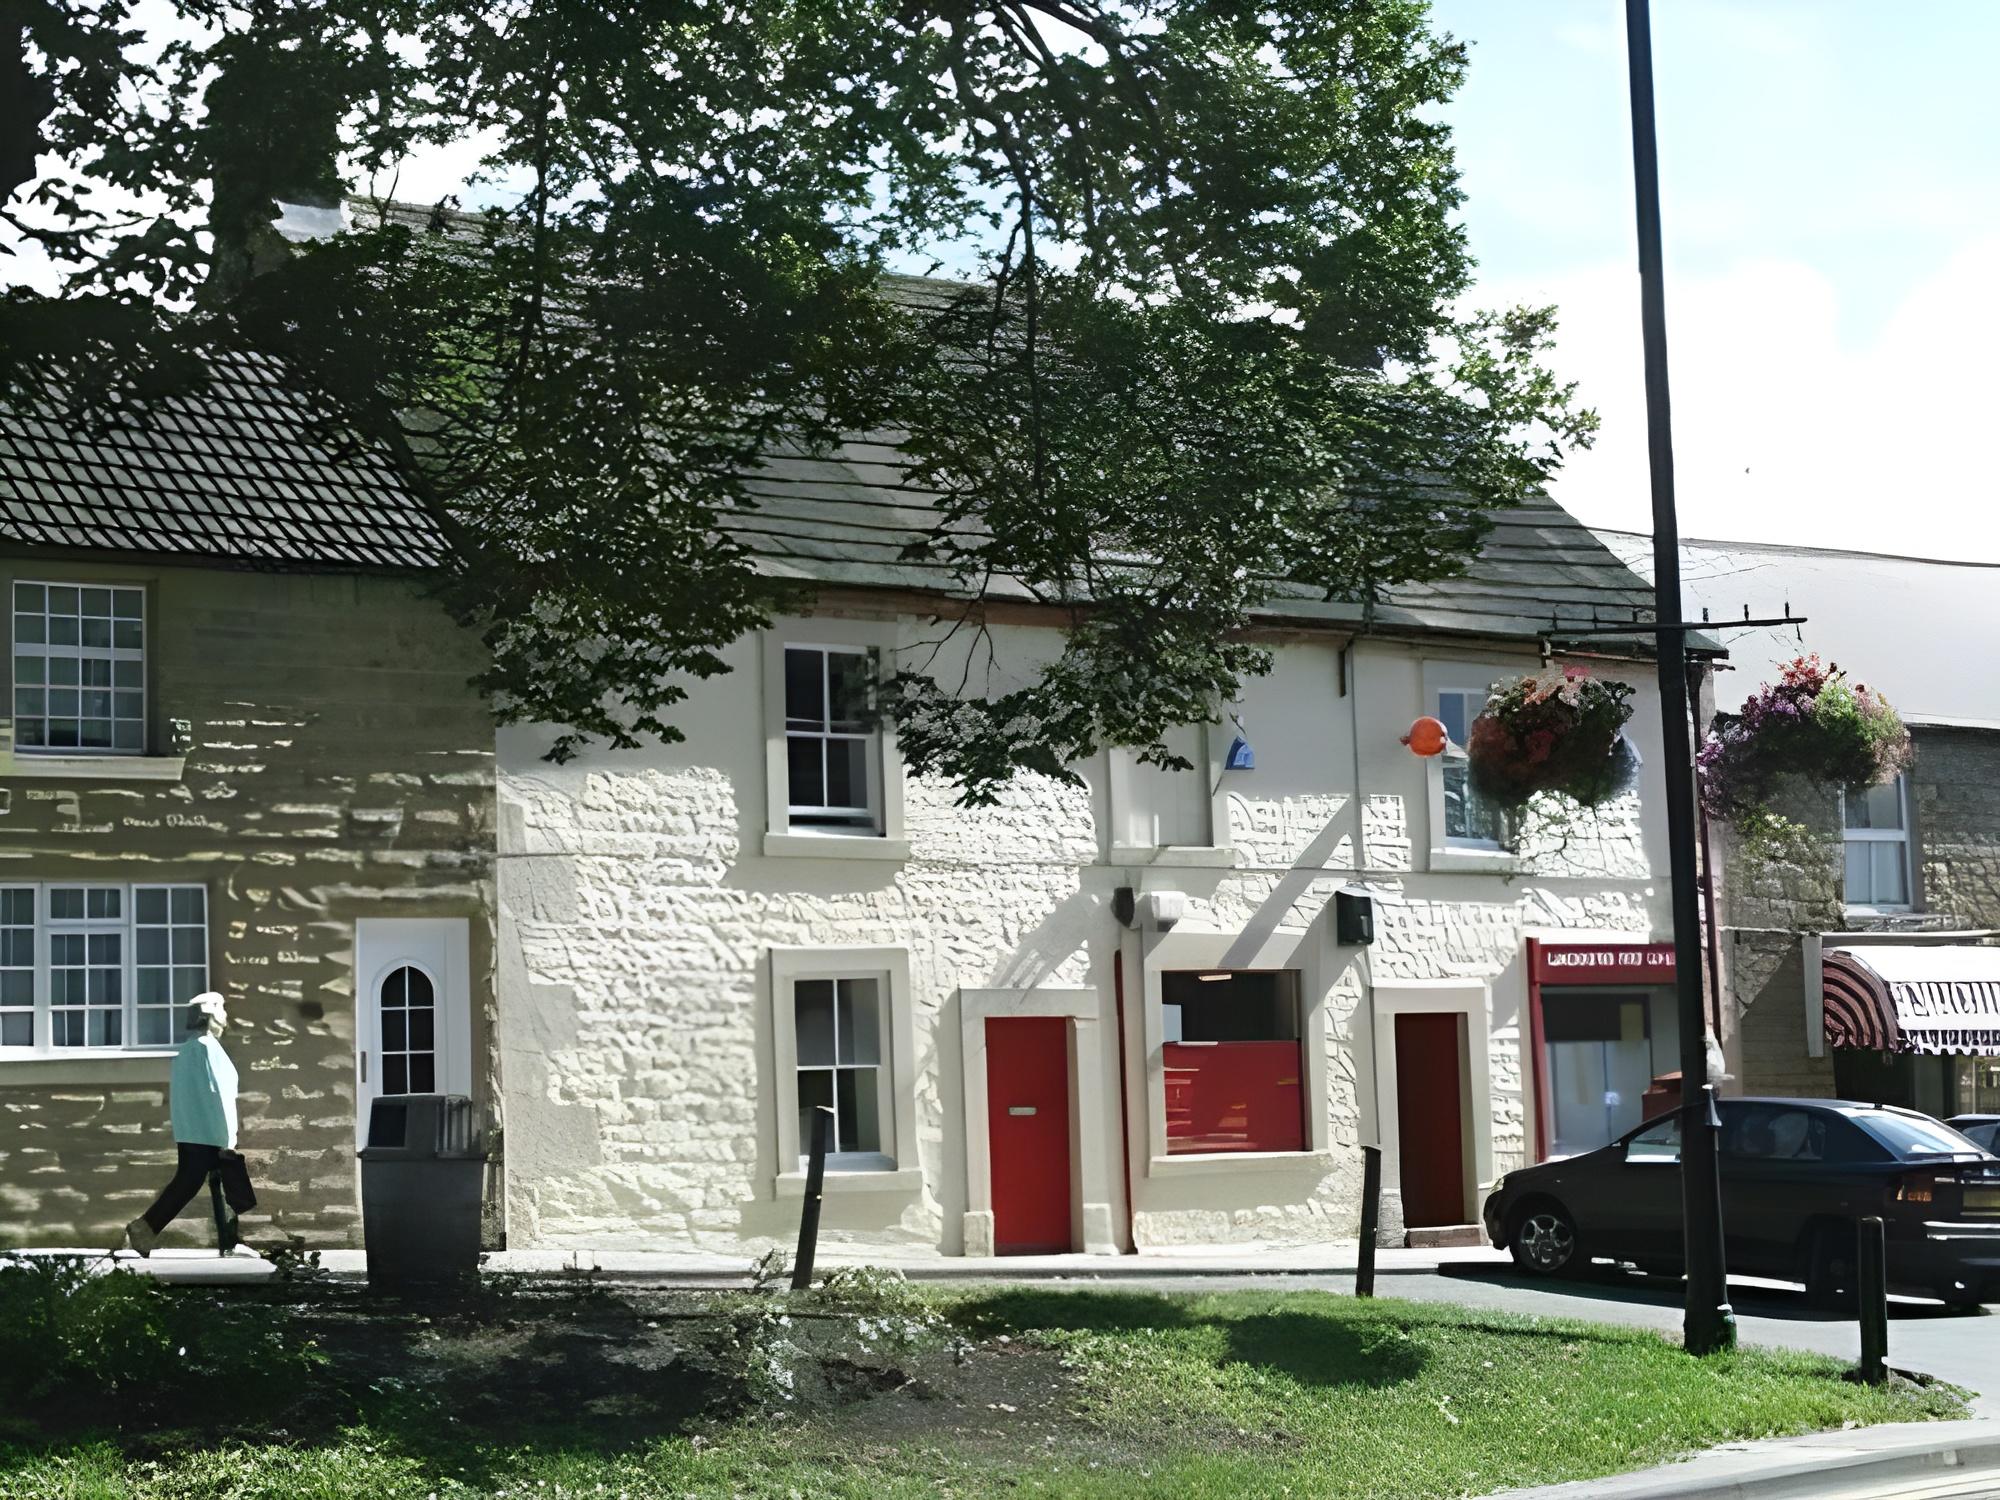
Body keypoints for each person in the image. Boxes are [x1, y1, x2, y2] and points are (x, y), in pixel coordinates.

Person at [117, 992, 240, 1257]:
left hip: (196, 1131)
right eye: (222, 1009)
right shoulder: (205, 1048)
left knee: (199, 1182)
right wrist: (227, 1138)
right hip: (207, 1132)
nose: (226, 1015)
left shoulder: (193, 1048)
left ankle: (227, 1241)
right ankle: (145, 1228)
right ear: (211, 1014)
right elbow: (215, 1094)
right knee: (206, 1182)